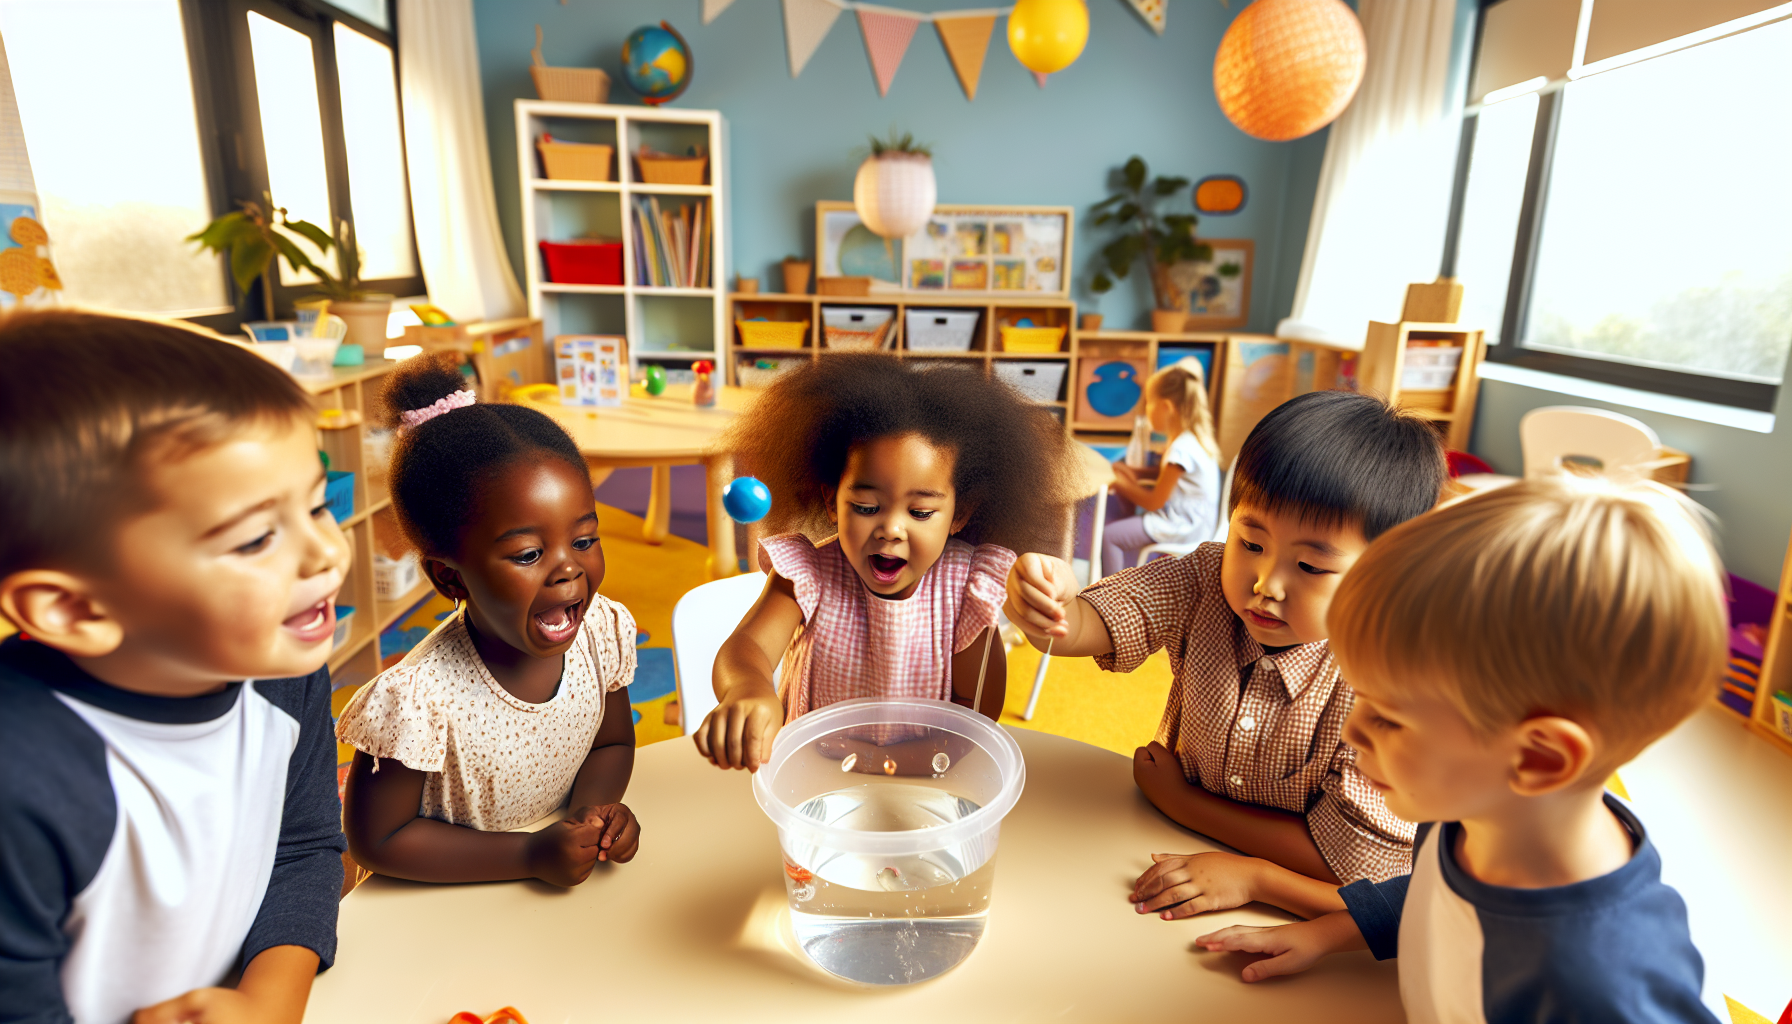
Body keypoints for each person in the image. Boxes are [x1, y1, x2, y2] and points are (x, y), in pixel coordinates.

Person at [1193, 478, 1725, 1022]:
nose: (1353, 733)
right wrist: (1329, 934)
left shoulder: (1593, 987)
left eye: (1388, 718)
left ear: (1539, 758)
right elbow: (1436, 889)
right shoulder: (1478, 807)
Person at [0, 310, 349, 1024]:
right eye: (256, 540)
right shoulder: (21, 778)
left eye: (317, 504)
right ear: (74, 610)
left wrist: (265, 1005)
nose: (324, 554)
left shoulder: (278, 664)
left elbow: (304, 844)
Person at [1005, 390, 1447, 920]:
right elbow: (1080, 627)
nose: (1266, 584)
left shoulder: (1388, 683)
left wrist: (1185, 804)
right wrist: (1050, 601)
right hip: (1164, 846)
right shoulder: (1203, 578)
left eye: (1309, 568)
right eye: (1251, 543)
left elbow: (1350, 867)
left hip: (1293, 907)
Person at [336, 354, 641, 886]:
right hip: (438, 916)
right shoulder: (417, 701)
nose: (568, 567)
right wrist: (526, 857)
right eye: (528, 554)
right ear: (450, 579)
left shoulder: (601, 636)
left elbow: (611, 742)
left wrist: (590, 820)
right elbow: (376, 839)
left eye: (584, 540)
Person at [695, 354, 1077, 772]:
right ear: (831, 501)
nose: (891, 529)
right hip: (813, 775)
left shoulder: (968, 589)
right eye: (865, 506)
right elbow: (746, 648)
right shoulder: (808, 575)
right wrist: (749, 688)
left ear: (961, 513)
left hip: (928, 778)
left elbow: (977, 715)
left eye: (920, 512)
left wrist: (889, 760)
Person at [1102, 358, 1223, 571]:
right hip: (1193, 523)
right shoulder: (1190, 441)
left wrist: (1119, 483)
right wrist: (1133, 472)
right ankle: (1128, 575)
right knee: (1125, 525)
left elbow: (1154, 502)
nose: (1146, 409)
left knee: (1110, 537)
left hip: (1183, 527)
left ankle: (1107, 598)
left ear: (1166, 407)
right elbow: (1164, 473)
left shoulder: (1181, 449)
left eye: (1149, 402)